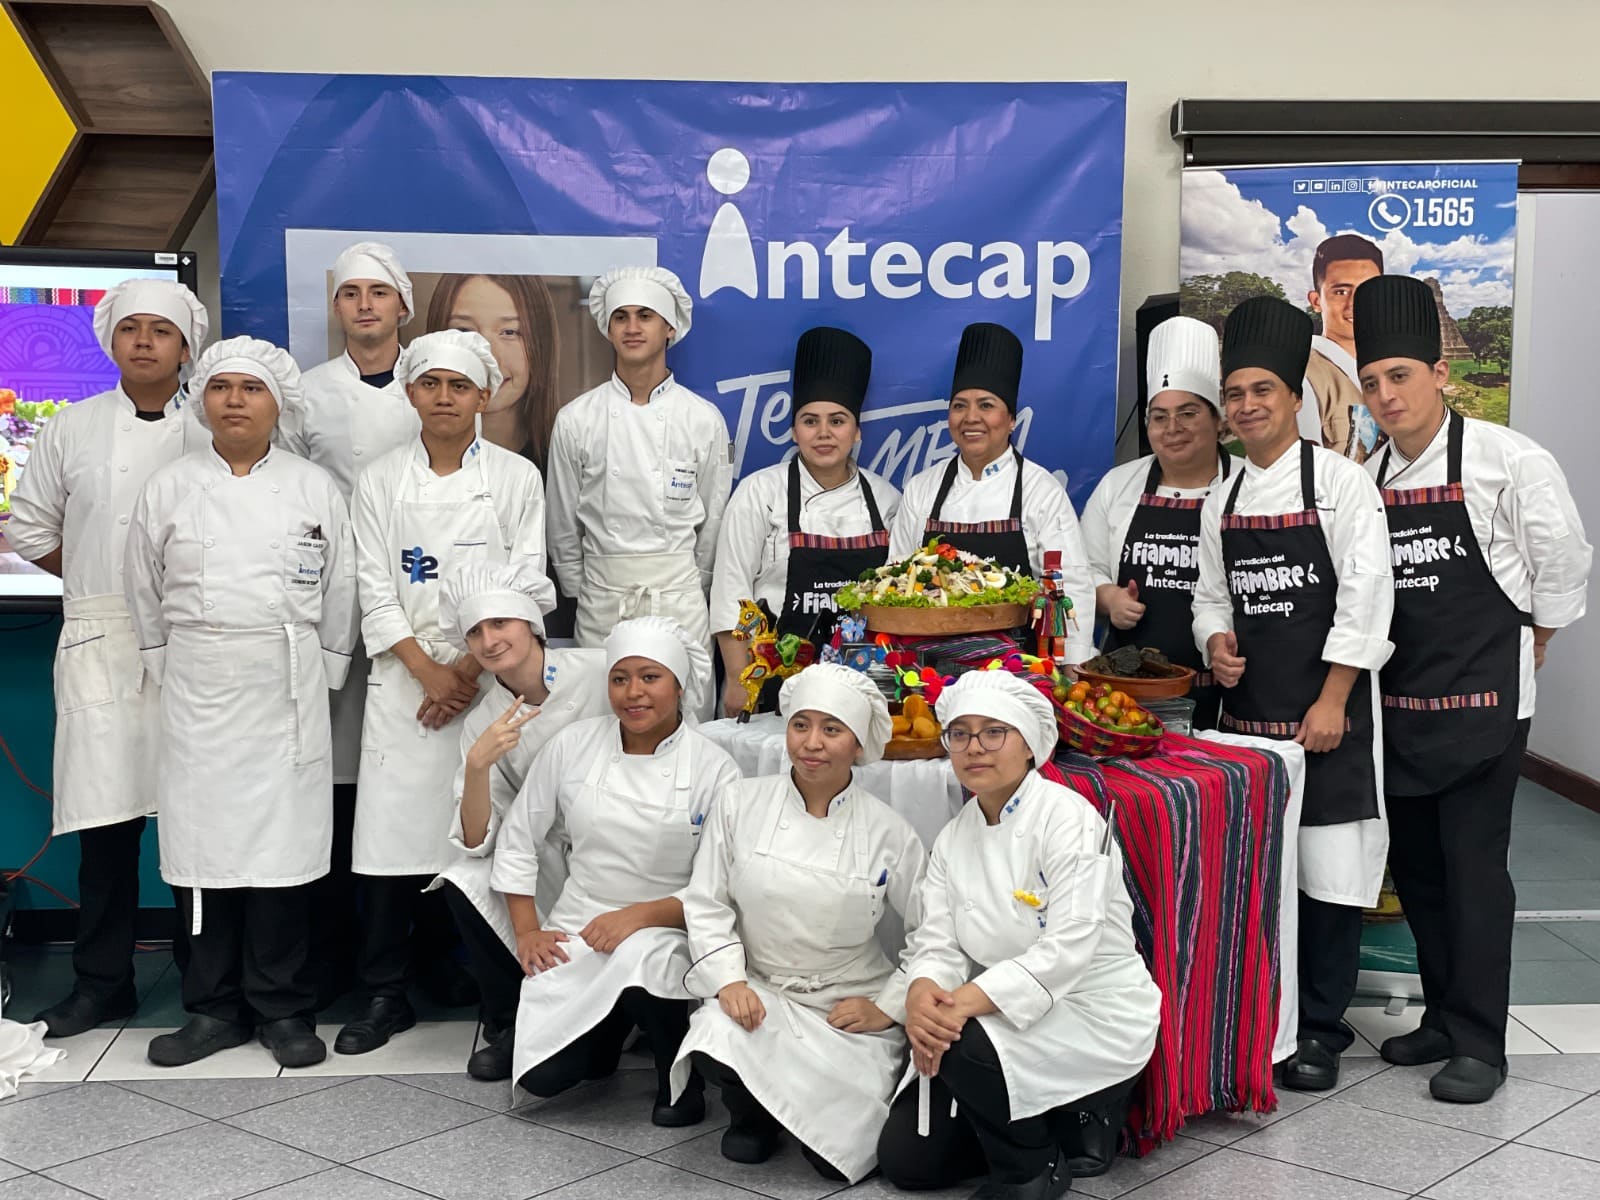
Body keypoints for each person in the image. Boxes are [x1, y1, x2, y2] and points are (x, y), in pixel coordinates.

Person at [1354, 276, 1591, 1103]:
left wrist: (1539, 641)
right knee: (1417, 871)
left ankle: (1483, 1041)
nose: (1386, 396)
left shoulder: (1506, 458)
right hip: (1400, 704)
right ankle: (1446, 1018)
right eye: (1373, 381)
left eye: (1401, 377)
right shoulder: (1368, 473)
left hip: (1486, 704)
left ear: (1438, 374)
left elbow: (1563, 563)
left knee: (1474, 869)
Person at [123, 337, 357, 1069]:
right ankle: (212, 1007)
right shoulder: (169, 486)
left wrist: (324, 670)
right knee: (203, 850)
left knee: (284, 853)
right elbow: (143, 586)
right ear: (203, 399)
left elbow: (341, 586)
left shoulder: (315, 487)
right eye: (222, 387)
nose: (234, 401)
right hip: (198, 682)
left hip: (286, 682)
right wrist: (168, 663)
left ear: (277, 403)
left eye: (250, 390)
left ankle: (284, 1008)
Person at [1192, 296, 1394, 1092]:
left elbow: (1368, 593)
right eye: (1235, 395)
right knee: (1263, 877)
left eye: (1261, 392)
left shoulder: (1341, 483)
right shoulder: (1225, 496)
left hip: (1324, 718)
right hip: (1249, 722)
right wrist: (1217, 641)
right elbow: (1214, 594)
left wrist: (1335, 696)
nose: (1246, 407)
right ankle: (1262, 1020)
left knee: (1329, 875)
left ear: (1293, 398)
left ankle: (1319, 1026)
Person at [340, 329, 553, 1055]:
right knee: (391, 843)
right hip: (404, 685)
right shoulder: (379, 480)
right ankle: (385, 992)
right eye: (430, 384)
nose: (443, 397)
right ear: (410, 393)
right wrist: (427, 670)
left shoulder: (518, 479)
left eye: (458, 386)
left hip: (486, 681)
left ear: (483, 396)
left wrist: (465, 671)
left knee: (479, 839)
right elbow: (372, 584)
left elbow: (527, 583)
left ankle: (481, 984)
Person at [8, 280, 209, 1037]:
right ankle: (102, 984)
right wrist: (100, 577)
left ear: (186, 347)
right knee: (107, 827)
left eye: (163, 330)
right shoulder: (73, 429)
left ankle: (205, 981)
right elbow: (30, 529)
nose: (146, 342)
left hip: (191, 646)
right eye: (133, 329)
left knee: (194, 826)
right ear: (110, 341)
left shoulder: (210, 427)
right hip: (100, 640)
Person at [876, 670, 1160, 1199]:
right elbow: (937, 939)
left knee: (960, 1042)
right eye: (959, 734)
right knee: (910, 1164)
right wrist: (922, 993)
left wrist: (958, 1004)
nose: (974, 748)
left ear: (1029, 745)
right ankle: (1040, 1118)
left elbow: (1071, 946)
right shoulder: (954, 836)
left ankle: (1033, 1167)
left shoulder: (1068, 819)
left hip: (1093, 1008)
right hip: (994, 1009)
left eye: (993, 732)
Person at [672, 664, 926, 1182]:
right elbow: (706, 901)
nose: (812, 743)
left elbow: (933, 930)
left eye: (832, 730)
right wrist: (729, 980)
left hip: (844, 1008)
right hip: (761, 995)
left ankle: (807, 1106)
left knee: (834, 1164)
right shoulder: (740, 802)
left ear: (858, 743)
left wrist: (887, 1007)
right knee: (715, 1035)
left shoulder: (889, 832)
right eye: (800, 725)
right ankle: (751, 1114)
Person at [492, 616, 742, 1126]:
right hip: (578, 926)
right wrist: (527, 931)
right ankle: (608, 1035)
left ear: (679, 683)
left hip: (671, 926)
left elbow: (724, 886)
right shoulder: (573, 745)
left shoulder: (714, 768)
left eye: (650, 677)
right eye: (620, 678)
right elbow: (519, 837)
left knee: (645, 954)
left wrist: (639, 916)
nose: (633, 693)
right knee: (545, 1078)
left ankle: (678, 1074)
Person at [289, 242, 421, 1003]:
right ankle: (336, 956)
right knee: (341, 786)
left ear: (402, 306)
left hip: (416, 607)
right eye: (350, 294)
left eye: (378, 293)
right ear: (335, 308)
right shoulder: (306, 396)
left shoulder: (432, 382)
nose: (364, 305)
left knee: (413, 786)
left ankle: (423, 956)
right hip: (331, 607)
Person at [425, 560, 610, 1081]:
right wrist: (479, 765)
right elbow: (477, 840)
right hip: (550, 859)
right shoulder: (486, 718)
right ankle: (510, 1022)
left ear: (531, 624)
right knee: (464, 878)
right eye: (476, 632)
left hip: (621, 848)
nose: (489, 640)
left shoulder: (601, 673)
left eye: (500, 623)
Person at [546, 267, 732, 717]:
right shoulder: (576, 419)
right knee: (598, 719)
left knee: (685, 719)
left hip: (679, 595)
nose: (632, 327)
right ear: (607, 328)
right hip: (603, 597)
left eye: (645, 316)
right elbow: (561, 521)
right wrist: (585, 586)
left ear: (670, 327)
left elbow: (714, 523)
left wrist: (694, 582)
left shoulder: (702, 419)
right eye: (622, 317)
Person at [710, 327, 899, 716]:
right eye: (810, 421)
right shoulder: (759, 492)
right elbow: (732, 591)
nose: (824, 433)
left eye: (838, 420)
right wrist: (736, 678)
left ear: (858, 430)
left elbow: (897, 605)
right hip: (769, 680)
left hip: (861, 685)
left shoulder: (887, 501)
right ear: (794, 430)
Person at [889, 322, 1095, 665]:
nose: (971, 418)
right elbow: (896, 580)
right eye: (959, 406)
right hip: (931, 671)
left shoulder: (1040, 490)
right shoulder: (922, 488)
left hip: (1020, 672)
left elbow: (1070, 585)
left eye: (986, 405)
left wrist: (1070, 670)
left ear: (1011, 419)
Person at [1080, 315, 1231, 728]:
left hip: (1226, 695)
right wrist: (1108, 598)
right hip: (1126, 699)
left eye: (1188, 413)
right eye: (1159, 416)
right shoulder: (1119, 485)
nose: (1172, 429)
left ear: (1218, 420)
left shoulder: (1245, 489)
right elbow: (1081, 571)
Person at [426, 273, 562, 469]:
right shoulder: (407, 464)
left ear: (541, 344)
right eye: (465, 331)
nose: (489, 357)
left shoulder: (563, 460)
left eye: (509, 332)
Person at [1303, 234, 1384, 462]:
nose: (1354, 304)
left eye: (1368, 290)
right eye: (1340, 292)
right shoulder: (1303, 374)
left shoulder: (1391, 368)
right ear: (1316, 301)